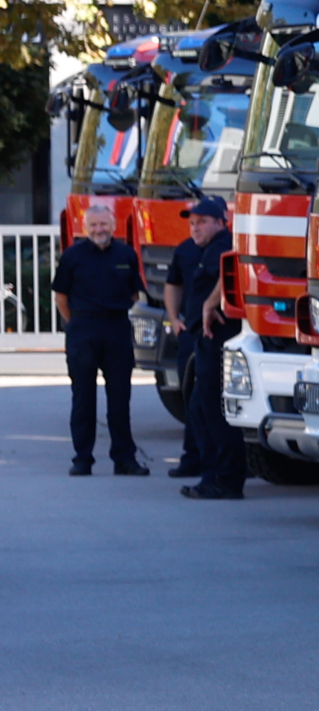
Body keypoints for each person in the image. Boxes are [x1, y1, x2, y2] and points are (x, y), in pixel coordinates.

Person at [51, 197, 150, 478]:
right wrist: (77, 323)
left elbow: (133, 294)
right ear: (85, 227)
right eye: (93, 224)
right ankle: (82, 459)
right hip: (83, 330)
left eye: (104, 224)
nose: (99, 229)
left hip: (117, 329)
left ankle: (124, 459)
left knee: (120, 398)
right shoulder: (72, 256)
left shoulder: (126, 254)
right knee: (83, 397)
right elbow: (61, 297)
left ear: (113, 225)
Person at [168, 194, 245, 500]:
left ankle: (225, 480)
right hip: (204, 339)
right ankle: (213, 476)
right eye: (193, 223)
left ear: (220, 222)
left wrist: (210, 303)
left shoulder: (223, 246)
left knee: (214, 411)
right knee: (201, 409)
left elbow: (231, 273)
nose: (195, 228)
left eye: (202, 222)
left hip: (219, 338)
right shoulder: (204, 249)